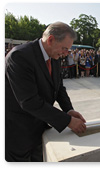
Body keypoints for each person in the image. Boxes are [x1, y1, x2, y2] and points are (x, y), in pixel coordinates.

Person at [5, 22, 86, 162]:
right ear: (51, 40)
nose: (66, 53)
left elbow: (59, 87)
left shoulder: (53, 56)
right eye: (65, 48)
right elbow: (29, 101)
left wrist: (69, 110)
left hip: (39, 129)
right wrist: (68, 121)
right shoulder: (19, 57)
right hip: (18, 132)